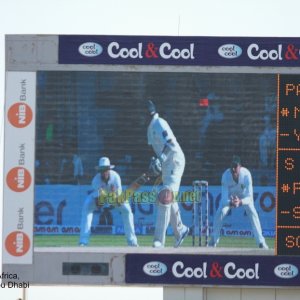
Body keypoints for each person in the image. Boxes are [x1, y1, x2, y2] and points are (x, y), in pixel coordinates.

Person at [147, 100, 189, 248]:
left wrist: (161, 159)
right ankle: (180, 230)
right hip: (167, 164)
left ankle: (159, 240)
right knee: (168, 198)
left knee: (165, 196)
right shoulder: (150, 128)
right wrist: (156, 162)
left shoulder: (159, 123)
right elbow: (158, 149)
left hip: (174, 160)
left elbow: (170, 143)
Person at [209, 155, 269, 249]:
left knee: (253, 213)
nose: (233, 169)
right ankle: (213, 241)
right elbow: (224, 199)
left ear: (240, 166)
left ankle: (261, 242)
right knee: (220, 213)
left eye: (235, 166)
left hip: (243, 197)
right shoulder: (225, 176)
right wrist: (231, 203)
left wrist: (240, 202)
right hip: (230, 198)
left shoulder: (246, 175)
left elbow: (249, 197)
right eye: (231, 166)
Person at [79, 157, 138, 246]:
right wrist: (102, 195)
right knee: (87, 206)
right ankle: (83, 241)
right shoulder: (95, 181)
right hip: (101, 199)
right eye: (102, 170)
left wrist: (113, 194)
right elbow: (99, 205)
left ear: (109, 169)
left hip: (114, 198)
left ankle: (132, 241)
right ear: (99, 170)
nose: (104, 172)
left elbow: (119, 201)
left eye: (106, 169)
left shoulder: (116, 177)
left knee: (127, 210)